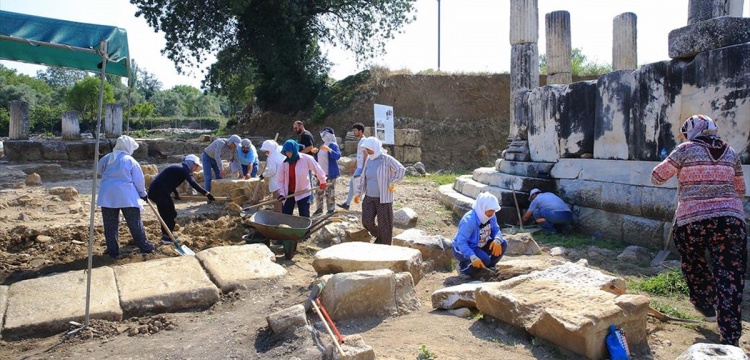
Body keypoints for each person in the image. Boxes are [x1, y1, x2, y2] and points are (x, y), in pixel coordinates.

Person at [651, 114, 746, 346]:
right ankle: (731, 337)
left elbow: (657, 177)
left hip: (692, 221)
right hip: (730, 221)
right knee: (730, 276)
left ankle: (705, 302)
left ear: (692, 132)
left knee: (693, 262)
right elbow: (740, 190)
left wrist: (672, 161)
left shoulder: (685, 149)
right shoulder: (732, 153)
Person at [96, 135, 154, 259]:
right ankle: (144, 246)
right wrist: (143, 193)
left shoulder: (106, 158)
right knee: (134, 223)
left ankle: (113, 250)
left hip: (108, 196)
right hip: (127, 196)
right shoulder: (130, 161)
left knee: (110, 225)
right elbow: (139, 180)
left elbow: (99, 171)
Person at [147, 154, 215, 244]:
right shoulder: (184, 169)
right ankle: (167, 237)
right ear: (192, 163)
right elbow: (192, 183)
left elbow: (170, 181)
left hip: (156, 191)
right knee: (170, 213)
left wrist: (176, 194)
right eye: (196, 166)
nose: (195, 169)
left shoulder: (179, 168)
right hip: (159, 192)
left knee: (166, 213)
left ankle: (167, 235)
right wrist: (206, 193)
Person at [354, 136, 406, 245]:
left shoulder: (386, 159)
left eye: (369, 149)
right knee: (366, 221)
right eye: (366, 149)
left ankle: (384, 245)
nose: (367, 151)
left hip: (384, 198)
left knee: (385, 225)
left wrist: (392, 181)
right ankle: (380, 235)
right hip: (369, 197)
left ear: (375, 147)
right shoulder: (369, 160)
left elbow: (401, 169)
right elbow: (364, 177)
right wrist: (358, 193)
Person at [452, 192, 508, 279]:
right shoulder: (469, 221)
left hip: (480, 244)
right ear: (482, 207)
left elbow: (496, 229)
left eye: (493, 210)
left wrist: (497, 239)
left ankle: (489, 267)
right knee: (484, 259)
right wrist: (472, 257)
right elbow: (461, 242)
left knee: (503, 243)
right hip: (463, 248)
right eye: (490, 210)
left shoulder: (491, 215)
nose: (492, 213)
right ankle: (462, 267)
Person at [277, 139, 327, 218]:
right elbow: (280, 180)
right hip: (289, 192)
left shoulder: (306, 159)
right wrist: (282, 193)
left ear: (294, 150)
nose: (288, 154)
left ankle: (306, 230)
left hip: (303, 192)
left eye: (289, 151)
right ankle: (287, 229)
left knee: (304, 215)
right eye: (286, 152)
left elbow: (317, 169)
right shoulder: (284, 163)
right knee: (286, 214)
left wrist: (322, 181)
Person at [314, 127, 342, 215]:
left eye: (324, 134)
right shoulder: (322, 145)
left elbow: (337, 156)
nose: (323, 136)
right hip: (320, 174)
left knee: (330, 192)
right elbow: (318, 159)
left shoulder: (333, 145)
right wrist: (314, 153)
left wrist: (330, 150)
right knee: (319, 192)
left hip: (330, 174)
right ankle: (319, 209)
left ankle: (330, 209)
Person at [339, 122, 366, 210]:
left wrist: (364, 168)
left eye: (355, 131)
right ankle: (347, 203)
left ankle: (349, 203)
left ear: (360, 131)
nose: (354, 132)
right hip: (359, 167)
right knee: (353, 184)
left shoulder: (364, 141)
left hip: (362, 167)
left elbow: (366, 155)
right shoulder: (360, 141)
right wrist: (354, 166)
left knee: (357, 186)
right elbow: (359, 156)